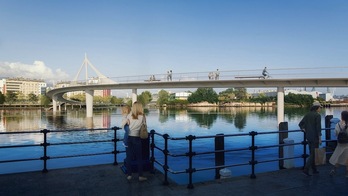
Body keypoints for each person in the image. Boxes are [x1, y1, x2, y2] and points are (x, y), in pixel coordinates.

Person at [299, 101, 322, 176]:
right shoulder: (317, 115)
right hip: (315, 137)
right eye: (320, 107)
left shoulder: (307, 114)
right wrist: (320, 138)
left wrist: (303, 129)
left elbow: (300, 124)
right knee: (313, 154)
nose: (320, 109)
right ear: (317, 108)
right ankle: (306, 170)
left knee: (312, 153)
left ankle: (314, 169)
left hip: (308, 137)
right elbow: (318, 128)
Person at [125, 102, 147, 182]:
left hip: (129, 137)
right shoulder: (143, 116)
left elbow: (126, 125)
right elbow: (144, 125)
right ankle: (140, 176)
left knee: (129, 157)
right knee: (139, 157)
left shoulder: (129, 115)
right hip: (137, 138)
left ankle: (129, 175)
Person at [329, 111, 348, 177]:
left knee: (339, 157)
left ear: (341, 116)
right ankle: (347, 174)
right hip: (347, 144)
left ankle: (334, 170)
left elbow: (336, 133)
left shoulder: (338, 124)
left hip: (340, 144)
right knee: (346, 159)